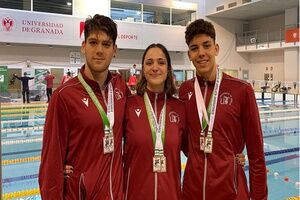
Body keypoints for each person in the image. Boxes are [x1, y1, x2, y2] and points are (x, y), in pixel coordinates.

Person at [39, 14, 128, 199]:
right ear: (83, 46)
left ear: (115, 50)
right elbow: (50, 163)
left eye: (106, 44)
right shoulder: (64, 96)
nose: (99, 50)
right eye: (93, 42)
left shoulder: (120, 87)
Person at [179, 19, 268, 199]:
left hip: (231, 192)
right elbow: (185, 143)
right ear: (189, 54)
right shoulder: (185, 90)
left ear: (216, 49)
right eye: (195, 48)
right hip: (192, 192)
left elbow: (256, 154)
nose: (201, 53)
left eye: (206, 45)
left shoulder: (242, 90)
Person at [123, 43, 187, 200]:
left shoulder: (180, 108)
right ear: (143, 70)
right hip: (135, 195)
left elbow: (194, 151)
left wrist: (232, 156)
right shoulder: (128, 105)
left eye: (161, 62)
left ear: (168, 69)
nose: (155, 67)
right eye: (149, 62)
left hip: (171, 195)